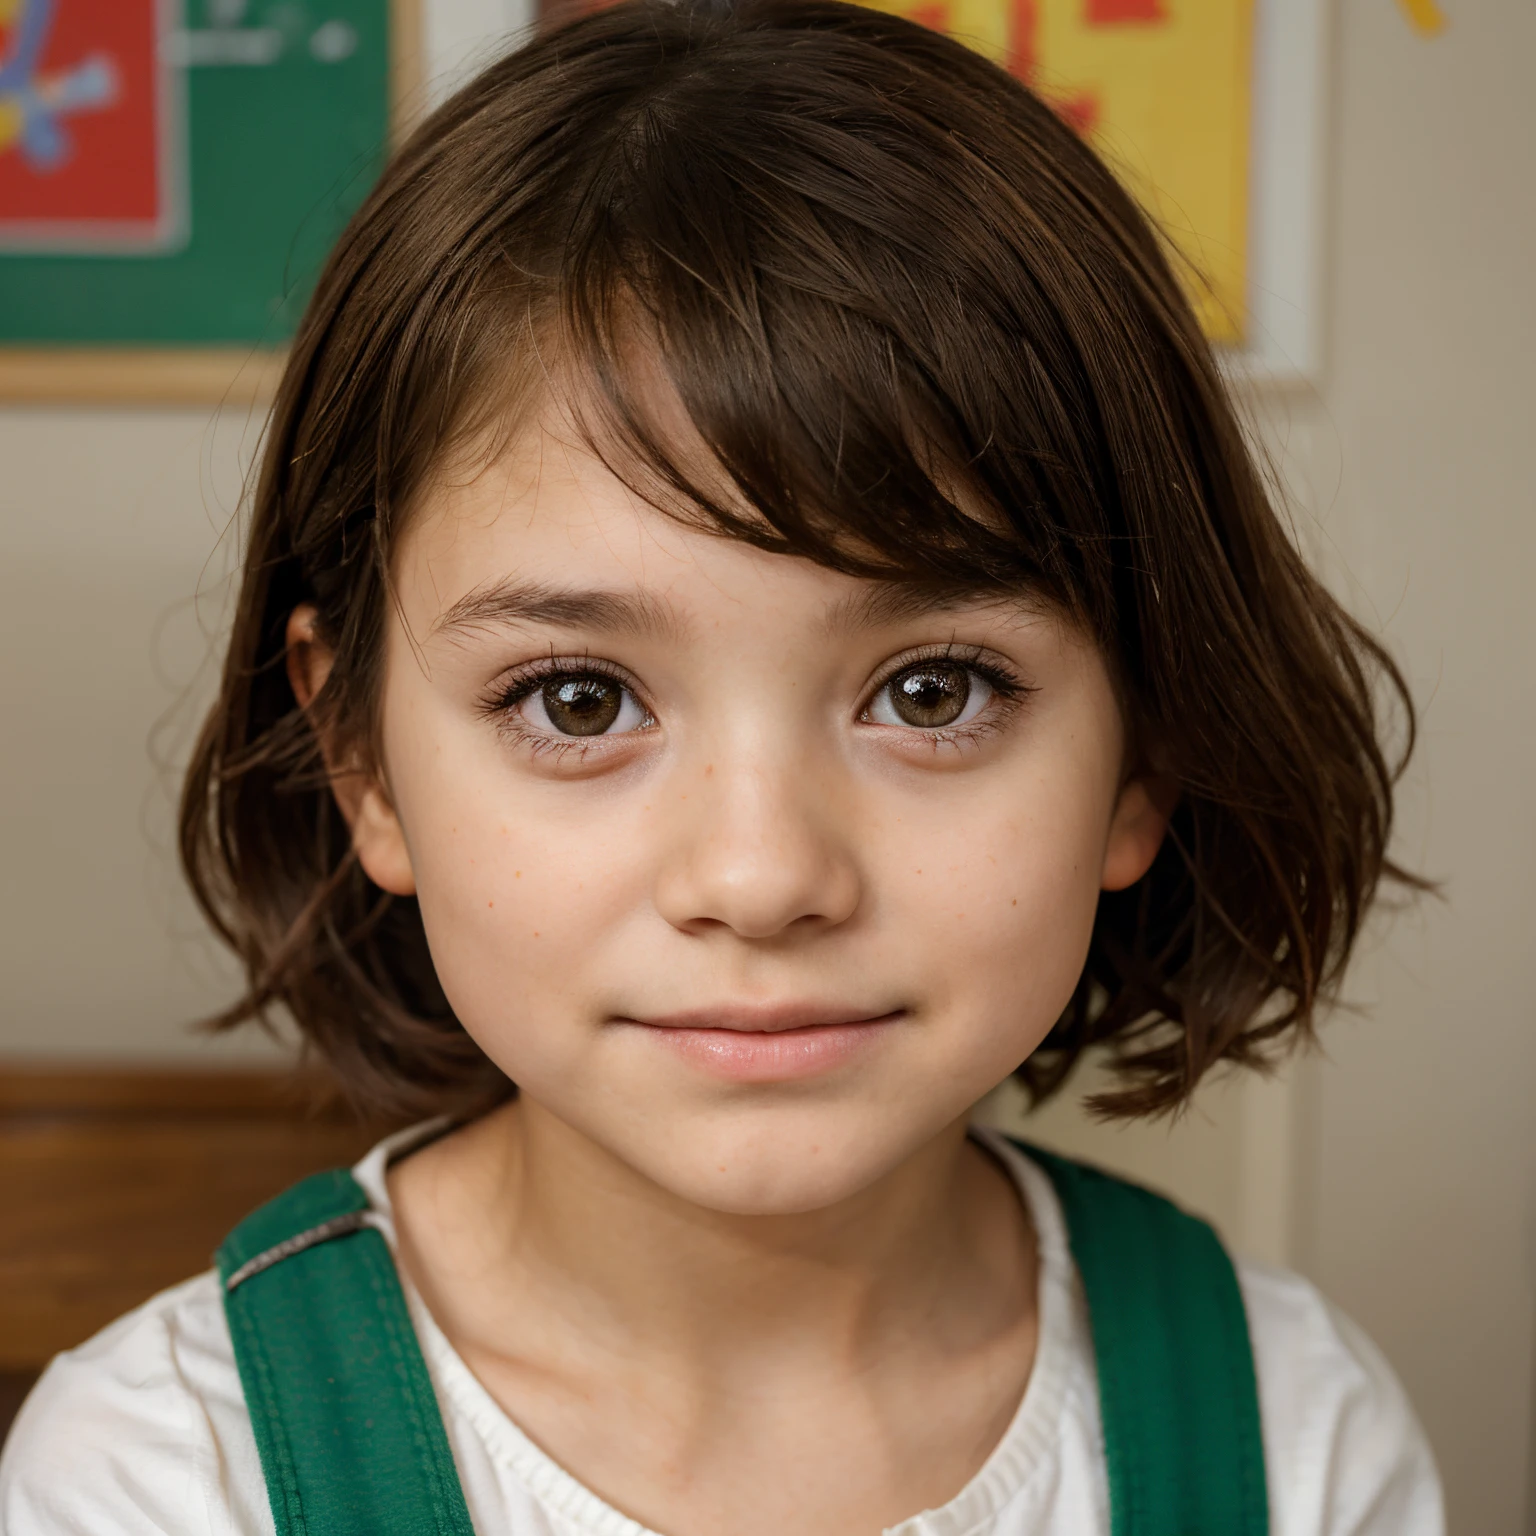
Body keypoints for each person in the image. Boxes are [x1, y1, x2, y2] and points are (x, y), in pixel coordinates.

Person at [0, 1, 1444, 1531]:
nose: (760, 878)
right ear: (362, 756)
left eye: (933, 689)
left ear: (1145, 749)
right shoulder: (159, 1476)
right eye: (575, 702)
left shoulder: (1294, 1439)